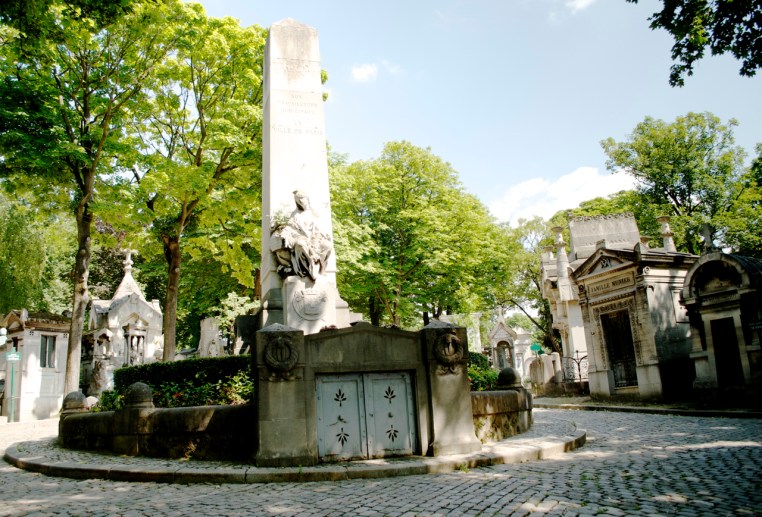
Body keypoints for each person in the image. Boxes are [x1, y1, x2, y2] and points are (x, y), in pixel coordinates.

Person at [271, 190, 332, 281]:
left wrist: (320, 236)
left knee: (327, 245)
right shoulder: (294, 215)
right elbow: (291, 228)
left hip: (314, 239)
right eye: (298, 200)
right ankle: (310, 265)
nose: (301, 201)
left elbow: (318, 229)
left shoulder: (314, 214)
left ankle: (321, 268)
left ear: (307, 199)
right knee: (301, 244)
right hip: (300, 239)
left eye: (302, 198)